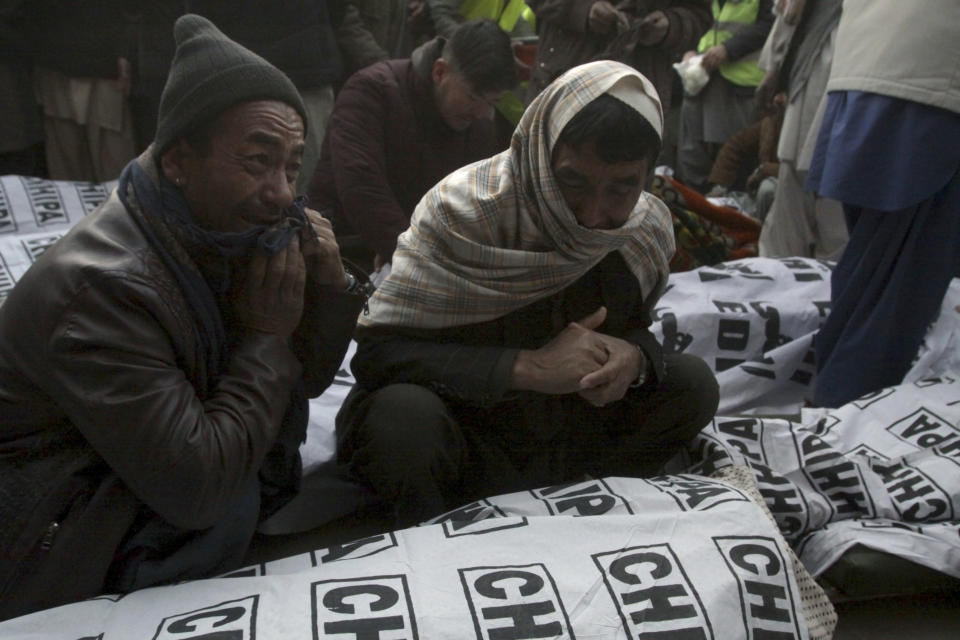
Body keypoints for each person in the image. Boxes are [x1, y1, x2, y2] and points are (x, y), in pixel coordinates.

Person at [0, 14, 367, 620]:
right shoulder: (101, 290)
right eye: (257, 160)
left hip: (134, 454)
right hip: (41, 515)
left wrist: (330, 289)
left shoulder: (217, 225)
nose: (281, 191)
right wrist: (266, 335)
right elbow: (198, 489)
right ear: (178, 162)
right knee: (225, 511)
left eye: (292, 164)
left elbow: (303, 381)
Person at [335, 60, 719, 527]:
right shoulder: (463, 213)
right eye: (572, 181)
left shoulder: (643, 229)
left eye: (623, 187)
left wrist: (631, 360)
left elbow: (632, 328)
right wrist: (527, 369)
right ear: (539, 154)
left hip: (560, 440)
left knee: (691, 382)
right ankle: (435, 543)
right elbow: (380, 355)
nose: (594, 216)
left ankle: (585, 514)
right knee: (402, 418)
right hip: (463, 435)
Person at [804, 0, 960, 408]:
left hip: (879, 63)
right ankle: (839, 420)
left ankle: (836, 413)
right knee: (893, 289)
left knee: (872, 277)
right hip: (931, 83)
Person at [307, 18, 517, 273]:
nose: (481, 112)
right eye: (473, 96)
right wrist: (414, 257)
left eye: (492, 102)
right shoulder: (372, 91)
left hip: (422, 255)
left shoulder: (480, 123)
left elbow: (478, 204)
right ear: (440, 72)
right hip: (347, 249)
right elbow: (362, 188)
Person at [756, 0, 846, 260]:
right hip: (809, 74)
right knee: (793, 186)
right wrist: (775, 68)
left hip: (843, 70)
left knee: (833, 195)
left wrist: (775, 68)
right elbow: (789, 14)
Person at [525, 0, 711, 115]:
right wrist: (582, 9)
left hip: (640, 90)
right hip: (565, 79)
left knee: (625, 171)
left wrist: (671, 25)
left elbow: (699, 13)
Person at [675, 0, 773, 192]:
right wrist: (690, 51)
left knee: (733, 159)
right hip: (703, 77)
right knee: (693, 153)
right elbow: (701, 19)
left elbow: (771, 24)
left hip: (743, 85)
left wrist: (729, 48)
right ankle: (698, 206)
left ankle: (725, 209)